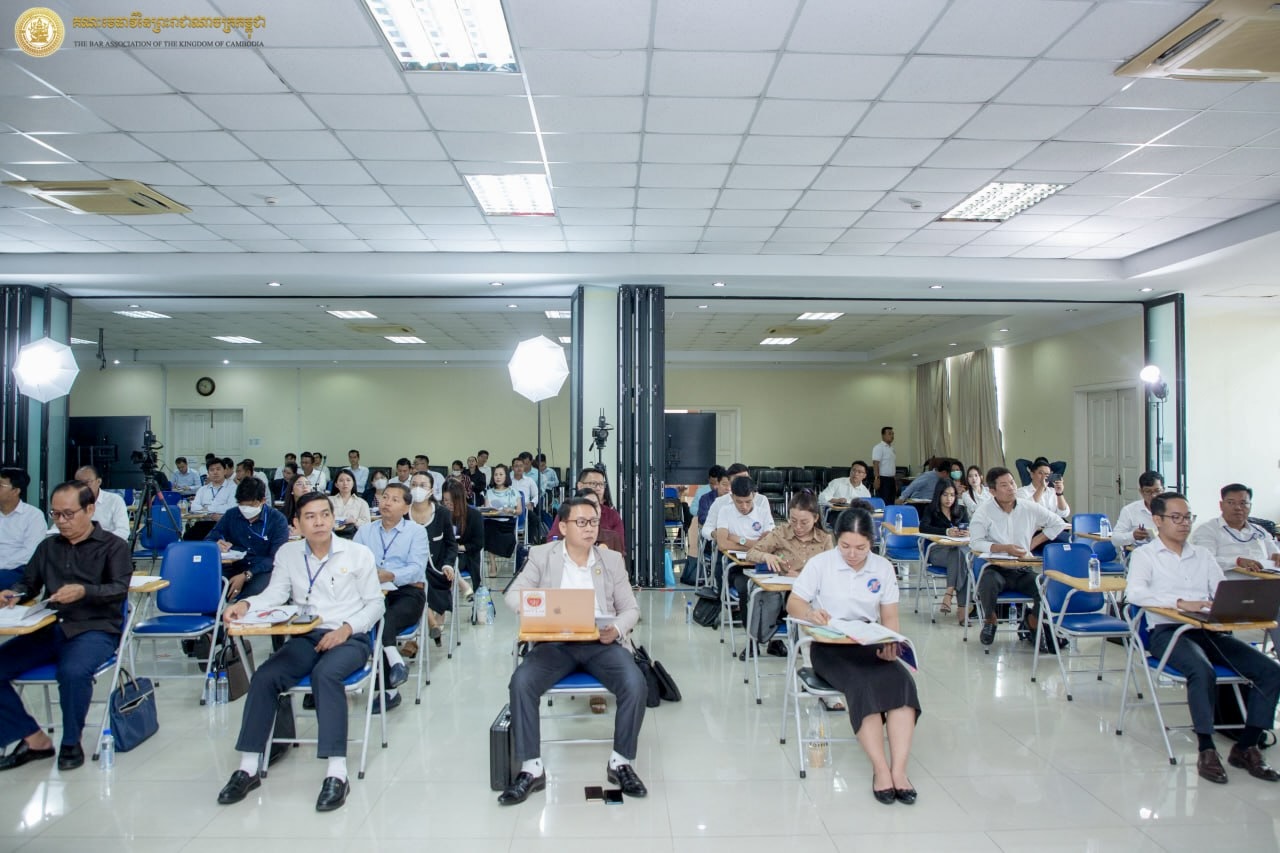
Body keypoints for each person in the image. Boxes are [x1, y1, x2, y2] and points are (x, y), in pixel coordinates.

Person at [216, 492, 384, 813]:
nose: (319, 522)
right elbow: (275, 595)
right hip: (306, 635)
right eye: (310, 516)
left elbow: (375, 604)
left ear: (333, 518)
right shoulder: (288, 553)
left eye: (325, 515)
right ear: (297, 523)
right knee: (265, 676)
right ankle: (248, 767)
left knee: (325, 675)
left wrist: (346, 629)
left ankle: (337, 772)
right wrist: (246, 604)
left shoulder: (357, 553)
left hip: (350, 636)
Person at [499, 497, 647, 805]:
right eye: (581, 522)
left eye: (593, 522)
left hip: (601, 643)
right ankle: (531, 767)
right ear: (563, 527)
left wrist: (616, 629)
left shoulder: (611, 560)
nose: (589, 528)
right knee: (522, 682)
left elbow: (631, 609)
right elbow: (513, 595)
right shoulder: (542, 555)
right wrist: (538, 612)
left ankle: (621, 761)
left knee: (635, 683)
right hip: (555, 644)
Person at [1127, 492, 1280, 785]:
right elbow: (1135, 593)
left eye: (1188, 517)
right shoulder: (1145, 555)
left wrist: (1232, 606)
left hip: (1207, 630)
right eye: (1176, 517)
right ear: (1157, 520)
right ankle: (1207, 750)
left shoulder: (1202, 555)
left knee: (1270, 671)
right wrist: (1179, 602)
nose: (1184, 523)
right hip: (1167, 633)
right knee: (1201, 670)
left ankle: (1247, 746)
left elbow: (1220, 590)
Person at [786, 507, 922, 804]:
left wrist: (891, 642)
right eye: (845, 546)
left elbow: (890, 616)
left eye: (861, 548)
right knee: (862, 685)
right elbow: (794, 602)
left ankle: (899, 771)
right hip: (829, 645)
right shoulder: (821, 564)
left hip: (869, 642)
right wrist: (810, 614)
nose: (852, 554)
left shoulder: (882, 568)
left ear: (872, 542)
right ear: (836, 539)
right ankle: (881, 769)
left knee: (903, 684)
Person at [0, 481, 132, 772]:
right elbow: (29, 582)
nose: (61, 521)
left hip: (95, 629)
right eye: (56, 514)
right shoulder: (49, 546)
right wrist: (15, 593)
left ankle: (71, 742)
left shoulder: (113, 546)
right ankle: (34, 739)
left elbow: (119, 589)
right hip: (50, 626)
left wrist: (85, 591)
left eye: (68, 514)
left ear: (90, 509)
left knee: (72, 672)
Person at [968, 467, 1068, 648]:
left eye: (1012, 483)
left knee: (1046, 587)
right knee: (987, 581)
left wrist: (1033, 542)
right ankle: (990, 620)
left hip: (1023, 569)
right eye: (1004, 485)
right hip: (997, 568)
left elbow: (1058, 523)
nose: (1011, 488)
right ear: (992, 491)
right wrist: (1004, 548)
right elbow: (975, 543)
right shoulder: (983, 511)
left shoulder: (1028, 506)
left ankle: (1032, 621)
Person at [353, 483, 426, 713]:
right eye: (385, 497)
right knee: (372, 616)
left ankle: (388, 689)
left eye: (395, 499)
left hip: (407, 591)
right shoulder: (365, 532)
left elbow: (416, 569)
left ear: (406, 508)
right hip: (372, 592)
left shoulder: (416, 532)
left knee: (384, 619)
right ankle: (394, 663)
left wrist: (391, 574)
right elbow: (352, 563)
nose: (387, 503)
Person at [743, 490, 832, 655]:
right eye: (793, 520)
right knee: (762, 596)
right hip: (780, 594)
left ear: (816, 518)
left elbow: (831, 573)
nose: (798, 527)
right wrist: (766, 556)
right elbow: (751, 553)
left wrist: (803, 578)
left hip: (810, 596)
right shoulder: (781, 533)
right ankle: (757, 638)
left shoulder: (825, 539)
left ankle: (808, 643)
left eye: (804, 522)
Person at [207, 477, 289, 600]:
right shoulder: (231, 514)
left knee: (252, 597)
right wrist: (216, 545)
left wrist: (246, 575)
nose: (245, 509)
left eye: (250, 505)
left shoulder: (277, 520)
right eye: (241, 505)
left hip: (262, 570)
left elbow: (276, 557)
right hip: (234, 566)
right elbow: (210, 539)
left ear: (263, 500)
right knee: (210, 589)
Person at [717, 477, 776, 638]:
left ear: (754, 496)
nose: (744, 506)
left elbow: (768, 544)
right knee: (746, 589)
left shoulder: (763, 513)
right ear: (732, 497)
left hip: (761, 565)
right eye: (739, 502)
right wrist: (754, 544)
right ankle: (751, 638)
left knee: (775, 592)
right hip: (737, 567)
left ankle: (772, 638)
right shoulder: (725, 511)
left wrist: (737, 539)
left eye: (748, 502)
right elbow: (722, 543)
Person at [408, 472, 459, 646]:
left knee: (420, 584)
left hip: (436, 569)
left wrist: (448, 565)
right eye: (414, 484)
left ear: (431, 490)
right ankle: (432, 623)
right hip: (410, 569)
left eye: (422, 485)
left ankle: (414, 639)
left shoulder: (442, 513)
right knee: (415, 581)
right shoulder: (403, 513)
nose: (417, 489)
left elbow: (451, 544)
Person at [1190, 483, 1280, 574]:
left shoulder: (1260, 531)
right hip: (1228, 581)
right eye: (1231, 502)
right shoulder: (1207, 530)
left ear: (1250, 506)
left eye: (1243, 503)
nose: (1237, 508)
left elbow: (1275, 555)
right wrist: (1237, 562)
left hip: (1265, 580)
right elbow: (1205, 561)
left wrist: (1277, 557)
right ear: (1221, 505)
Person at [919, 478, 971, 621]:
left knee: (960, 557)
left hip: (959, 550)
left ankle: (949, 593)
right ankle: (962, 609)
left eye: (952, 495)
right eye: (945, 495)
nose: (949, 499)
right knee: (963, 562)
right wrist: (946, 532)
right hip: (938, 551)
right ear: (939, 495)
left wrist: (967, 532)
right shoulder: (931, 510)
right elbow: (923, 527)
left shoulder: (961, 510)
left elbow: (970, 527)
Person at [0, 468, 46, 590]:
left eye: (0, 485)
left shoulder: (33, 515)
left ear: (15, 491)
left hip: (18, 568)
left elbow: (30, 552)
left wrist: (2, 564)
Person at [442, 480, 485, 593]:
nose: (448, 504)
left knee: (451, 563)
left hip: (465, 555)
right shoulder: (441, 514)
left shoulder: (474, 515)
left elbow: (478, 544)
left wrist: (458, 547)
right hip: (444, 553)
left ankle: (450, 592)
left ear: (460, 499)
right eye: (445, 500)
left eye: (452, 500)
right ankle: (460, 584)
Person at [71, 465, 129, 541]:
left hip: (107, 545)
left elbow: (123, 532)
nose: (82, 486)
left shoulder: (115, 500)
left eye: (87, 482)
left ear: (98, 482)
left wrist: (96, 541)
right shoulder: (70, 502)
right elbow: (57, 529)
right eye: (78, 483)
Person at [1112, 471, 1164, 550]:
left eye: (1157, 491)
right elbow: (1115, 539)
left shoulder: (1172, 509)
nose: (1153, 495)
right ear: (1141, 492)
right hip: (1140, 552)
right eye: (1148, 491)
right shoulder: (1129, 510)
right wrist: (1133, 536)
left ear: (1163, 490)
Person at [576, 468, 625, 549]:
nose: (598, 488)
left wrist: (605, 545)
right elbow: (555, 542)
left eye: (601, 484)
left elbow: (620, 546)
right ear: (580, 486)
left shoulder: (612, 515)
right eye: (593, 483)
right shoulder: (567, 513)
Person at [687, 465, 729, 546]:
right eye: (711, 483)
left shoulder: (733, 497)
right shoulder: (703, 495)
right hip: (710, 531)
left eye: (716, 483)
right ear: (708, 479)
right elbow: (694, 510)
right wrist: (704, 512)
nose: (714, 487)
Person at [871, 427, 898, 505]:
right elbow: (875, 464)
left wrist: (895, 482)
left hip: (891, 479)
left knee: (891, 501)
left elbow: (892, 466)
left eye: (892, 434)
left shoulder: (892, 449)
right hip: (883, 479)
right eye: (889, 434)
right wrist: (876, 479)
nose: (892, 436)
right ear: (883, 435)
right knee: (883, 502)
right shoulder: (879, 447)